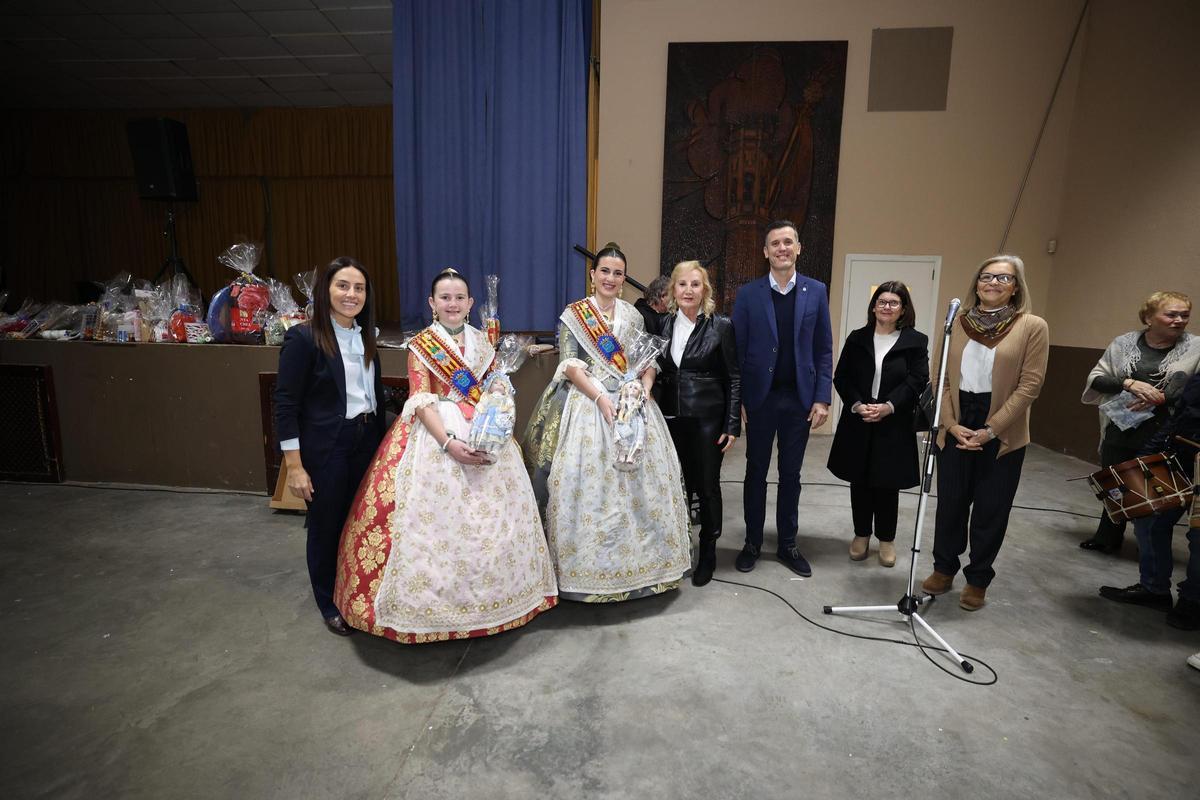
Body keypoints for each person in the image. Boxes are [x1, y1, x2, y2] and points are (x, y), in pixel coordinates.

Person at [332, 268, 557, 642]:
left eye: (459, 298)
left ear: (470, 304)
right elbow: (420, 402)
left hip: (484, 434)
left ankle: (499, 601)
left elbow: (491, 385)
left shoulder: (484, 341)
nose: (452, 304)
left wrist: (499, 403)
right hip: (436, 434)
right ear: (432, 304)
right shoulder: (422, 344)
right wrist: (449, 443)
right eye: (445, 298)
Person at [523, 243, 691, 602]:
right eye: (605, 271)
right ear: (593, 275)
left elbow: (646, 362)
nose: (611, 278)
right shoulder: (574, 314)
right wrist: (600, 398)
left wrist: (643, 389)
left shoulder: (632, 316)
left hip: (630, 405)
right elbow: (568, 363)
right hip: (585, 403)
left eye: (617, 273)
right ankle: (581, 573)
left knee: (641, 489)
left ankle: (642, 570)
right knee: (572, 481)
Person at [921, 255, 1048, 611]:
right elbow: (940, 379)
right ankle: (944, 569)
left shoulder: (1032, 326)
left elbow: (1030, 386)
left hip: (1003, 428)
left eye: (1003, 279)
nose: (993, 283)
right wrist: (950, 424)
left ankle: (978, 579)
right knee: (951, 505)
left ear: (1016, 287)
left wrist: (991, 429)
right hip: (958, 419)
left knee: (991, 509)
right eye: (986, 277)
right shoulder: (956, 324)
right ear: (976, 283)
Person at [275, 256, 387, 636]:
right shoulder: (303, 338)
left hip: (366, 441)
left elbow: (369, 395)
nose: (351, 294)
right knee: (325, 526)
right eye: (342, 286)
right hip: (328, 447)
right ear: (326, 290)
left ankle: (353, 591)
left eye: (359, 288)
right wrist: (294, 466)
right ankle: (328, 601)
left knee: (358, 523)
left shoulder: (366, 337)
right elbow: (286, 404)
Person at [730, 220, 833, 576]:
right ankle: (752, 542)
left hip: (800, 401)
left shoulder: (816, 291)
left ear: (798, 248)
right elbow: (738, 351)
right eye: (775, 243)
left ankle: (788, 543)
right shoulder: (748, 295)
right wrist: (738, 398)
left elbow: (823, 349)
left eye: (788, 242)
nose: (782, 248)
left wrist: (822, 398)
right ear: (765, 252)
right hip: (760, 400)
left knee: (791, 474)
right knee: (755, 471)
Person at [1079, 292, 1195, 554]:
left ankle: (1151, 551)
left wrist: (1161, 397)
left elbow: (1192, 388)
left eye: (1184, 315)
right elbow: (1097, 379)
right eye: (1171, 314)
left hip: (1164, 432)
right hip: (1121, 426)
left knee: (1156, 489)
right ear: (1148, 317)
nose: (1179, 320)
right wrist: (1128, 384)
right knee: (1114, 483)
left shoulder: (1195, 348)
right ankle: (1107, 537)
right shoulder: (1124, 343)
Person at [827, 281, 929, 568]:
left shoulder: (915, 341)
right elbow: (842, 377)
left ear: (903, 309)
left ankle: (886, 540)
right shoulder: (857, 337)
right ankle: (861, 535)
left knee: (887, 483)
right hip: (859, 416)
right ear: (873, 307)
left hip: (893, 420)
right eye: (882, 302)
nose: (886, 307)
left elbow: (917, 380)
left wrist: (888, 406)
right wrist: (858, 404)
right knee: (859, 480)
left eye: (893, 303)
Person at [654, 261, 741, 586]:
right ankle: (676, 551)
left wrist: (732, 425)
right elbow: (657, 370)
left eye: (695, 284)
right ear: (672, 290)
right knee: (675, 488)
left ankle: (708, 553)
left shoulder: (721, 326)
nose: (688, 290)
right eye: (682, 284)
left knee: (706, 487)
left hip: (707, 419)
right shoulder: (663, 325)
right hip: (670, 419)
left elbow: (734, 377)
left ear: (705, 290)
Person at [1098, 370, 1200, 631]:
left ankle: (1193, 602)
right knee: (1151, 520)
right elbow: (1180, 417)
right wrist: (1147, 455)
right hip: (1181, 459)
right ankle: (1154, 589)